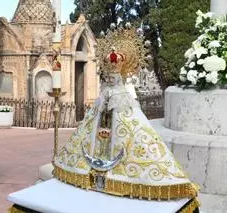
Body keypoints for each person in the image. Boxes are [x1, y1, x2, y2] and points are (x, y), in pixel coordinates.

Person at [53, 46, 200, 212]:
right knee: (90, 131)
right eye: (108, 74)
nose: (110, 76)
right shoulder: (104, 93)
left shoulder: (123, 96)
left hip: (119, 108)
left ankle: (120, 175)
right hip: (102, 113)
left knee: (133, 133)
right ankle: (88, 169)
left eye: (113, 72)